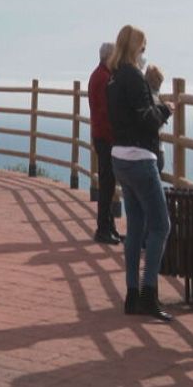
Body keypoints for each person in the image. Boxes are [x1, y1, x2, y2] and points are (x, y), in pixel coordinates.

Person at [106, 25, 173, 323]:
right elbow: (147, 119)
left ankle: (132, 294)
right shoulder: (134, 77)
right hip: (140, 158)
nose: (145, 52)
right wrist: (166, 110)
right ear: (135, 47)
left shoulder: (113, 78)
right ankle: (149, 293)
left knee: (135, 227)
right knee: (160, 226)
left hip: (119, 158)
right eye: (143, 46)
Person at [87, 41, 121, 244]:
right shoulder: (104, 78)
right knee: (107, 185)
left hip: (101, 135)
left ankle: (109, 226)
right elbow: (106, 111)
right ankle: (103, 228)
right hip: (105, 137)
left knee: (108, 183)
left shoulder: (99, 75)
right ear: (110, 56)